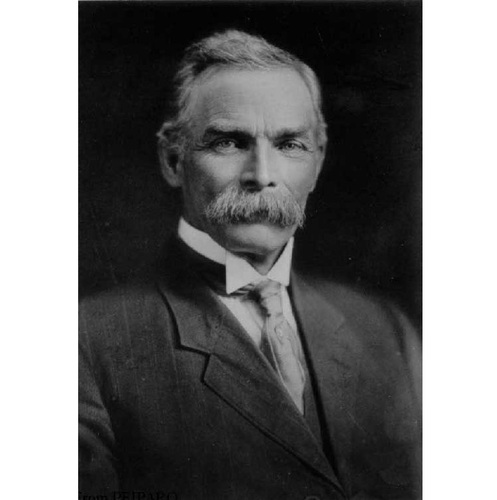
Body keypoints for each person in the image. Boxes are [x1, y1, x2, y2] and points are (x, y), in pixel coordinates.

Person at [79, 30, 421, 500]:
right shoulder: (86, 343)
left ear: (318, 161)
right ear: (173, 160)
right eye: (229, 142)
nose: (262, 175)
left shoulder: (383, 330)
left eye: (290, 145)